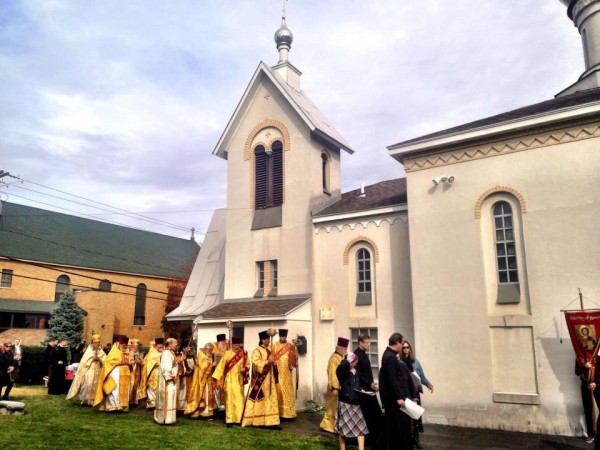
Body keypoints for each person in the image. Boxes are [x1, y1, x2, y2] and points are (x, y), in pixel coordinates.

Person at [379, 332, 415, 450]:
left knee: (395, 427)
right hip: (394, 400)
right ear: (398, 343)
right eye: (402, 343)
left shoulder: (389, 355)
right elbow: (392, 380)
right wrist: (399, 397)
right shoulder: (390, 358)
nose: (402, 347)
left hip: (392, 399)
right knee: (399, 427)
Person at [241, 330, 280, 428]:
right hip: (261, 380)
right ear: (263, 340)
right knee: (260, 400)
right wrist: (267, 362)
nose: (269, 341)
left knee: (270, 399)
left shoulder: (269, 351)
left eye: (268, 339)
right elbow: (255, 364)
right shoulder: (256, 351)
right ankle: (258, 421)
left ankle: (271, 421)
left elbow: (271, 363)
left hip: (269, 379)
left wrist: (274, 364)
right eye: (267, 339)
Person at [401, 341, 432, 449]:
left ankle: (416, 440)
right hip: (406, 392)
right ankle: (408, 440)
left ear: (410, 348)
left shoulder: (415, 362)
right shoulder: (400, 361)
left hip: (415, 391)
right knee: (408, 417)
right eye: (403, 348)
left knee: (416, 416)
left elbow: (421, 376)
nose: (405, 349)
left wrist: (428, 384)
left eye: (407, 347)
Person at [212, 336, 250, 427]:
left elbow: (248, 364)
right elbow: (220, 367)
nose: (237, 347)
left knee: (239, 400)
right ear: (232, 345)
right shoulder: (227, 354)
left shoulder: (243, 354)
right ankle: (229, 420)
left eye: (238, 345)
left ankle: (238, 419)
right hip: (228, 380)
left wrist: (244, 369)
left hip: (238, 381)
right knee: (229, 400)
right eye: (235, 345)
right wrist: (217, 379)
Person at [354, 334, 383, 449]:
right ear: (360, 342)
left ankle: (375, 440)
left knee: (375, 415)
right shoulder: (356, 355)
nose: (369, 344)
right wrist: (369, 383)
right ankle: (372, 440)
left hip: (369, 389)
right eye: (367, 342)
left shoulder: (363, 354)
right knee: (370, 415)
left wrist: (371, 383)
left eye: (370, 342)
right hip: (363, 391)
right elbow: (358, 374)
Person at [336, 352, 369, 450]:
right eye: (354, 362)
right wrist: (347, 360)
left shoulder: (355, 371)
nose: (356, 364)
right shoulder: (343, 372)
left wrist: (361, 389)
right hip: (346, 403)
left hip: (355, 402)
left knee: (361, 428)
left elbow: (356, 385)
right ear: (350, 361)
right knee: (343, 429)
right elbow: (340, 369)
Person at [93, 336, 132, 411]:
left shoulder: (127, 353)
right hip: (115, 373)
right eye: (123, 344)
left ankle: (123, 406)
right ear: (118, 344)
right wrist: (119, 363)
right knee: (115, 389)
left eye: (125, 345)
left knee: (125, 390)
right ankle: (113, 406)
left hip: (125, 375)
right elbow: (108, 362)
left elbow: (131, 362)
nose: (124, 346)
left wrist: (130, 364)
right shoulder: (113, 352)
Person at [66, 334, 106, 405]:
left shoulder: (101, 351)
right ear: (92, 342)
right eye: (96, 342)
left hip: (98, 371)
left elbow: (105, 360)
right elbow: (84, 361)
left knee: (96, 385)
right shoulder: (89, 351)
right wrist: (92, 359)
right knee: (87, 384)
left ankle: (93, 400)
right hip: (89, 370)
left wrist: (99, 359)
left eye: (98, 342)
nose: (97, 344)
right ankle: (84, 400)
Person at [320, 337, 349, 433]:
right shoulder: (334, 359)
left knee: (335, 408)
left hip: (339, 387)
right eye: (345, 349)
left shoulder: (339, 357)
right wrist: (335, 387)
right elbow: (333, 374)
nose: (346, 351)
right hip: (334, 388)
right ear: (340, 348)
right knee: (332, 407)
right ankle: (328, 426)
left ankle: (334, 426)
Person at [185, 342, 218, 419]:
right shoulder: (202, 355)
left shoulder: (207, 355)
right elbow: (203, 368)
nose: (211, 352)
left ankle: (206, 412)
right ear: (206, 349)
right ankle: (199, 412)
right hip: (201, 379)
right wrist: (211, 365)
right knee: (201, 395)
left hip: (207, 379)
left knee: (208, 395)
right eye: (210, 350)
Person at [272, 328, 297, 420]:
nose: (282, 338)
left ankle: (289, 413)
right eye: (281, 336)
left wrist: (294, 358)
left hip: (287, 372)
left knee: (288, 390)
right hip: (278, 371)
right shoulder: (274, 345)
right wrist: (273, 362)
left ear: (286, 336)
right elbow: (270, 356)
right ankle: (279, 413)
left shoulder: (290, 346)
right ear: (279, 336)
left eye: (284, 336)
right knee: (279, 390)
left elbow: (294, 357)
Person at [154, 337, 180, 425]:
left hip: (172, 380)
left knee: (170, 398)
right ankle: (164, 419)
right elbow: (166, 368)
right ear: (169, 344)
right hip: (167, 381)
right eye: (175, 343)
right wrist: (172, 377)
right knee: (167, 398)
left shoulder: (170, 353)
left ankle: (170, 419)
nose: (176, 344)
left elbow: (173, 364)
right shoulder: (166, 353)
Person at [576, 356, 597, 444]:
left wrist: (596, 382)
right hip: (585, 385)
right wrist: (584, 367)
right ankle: (591, 434)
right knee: (588, 410)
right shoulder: (579, 355)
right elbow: (577, 372)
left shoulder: (597, 354)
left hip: (597, 383)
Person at [138, 338, 163, 409]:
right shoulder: (152, 353)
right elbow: (148, 362)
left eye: (162, 345)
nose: (161, 346)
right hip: (153, 372)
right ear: (155, 345)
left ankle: (158, 403)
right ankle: (152, 403)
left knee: (159, 387)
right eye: (159, 345)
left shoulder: (162, 352)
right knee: (152, 387)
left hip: (161, 372)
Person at [128, 339, 143, 406]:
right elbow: (128, 362)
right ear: (132, 347)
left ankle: (134, 400)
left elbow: (142, 362)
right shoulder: (129, 353)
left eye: (137, 347)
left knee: (136, 385)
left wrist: (140, 362)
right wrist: (134, 362)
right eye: (134, 347)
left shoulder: (138, 353)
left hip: (137, 371)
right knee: (131, 384)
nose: (136, 348)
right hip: (131, 371)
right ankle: (129, 399)